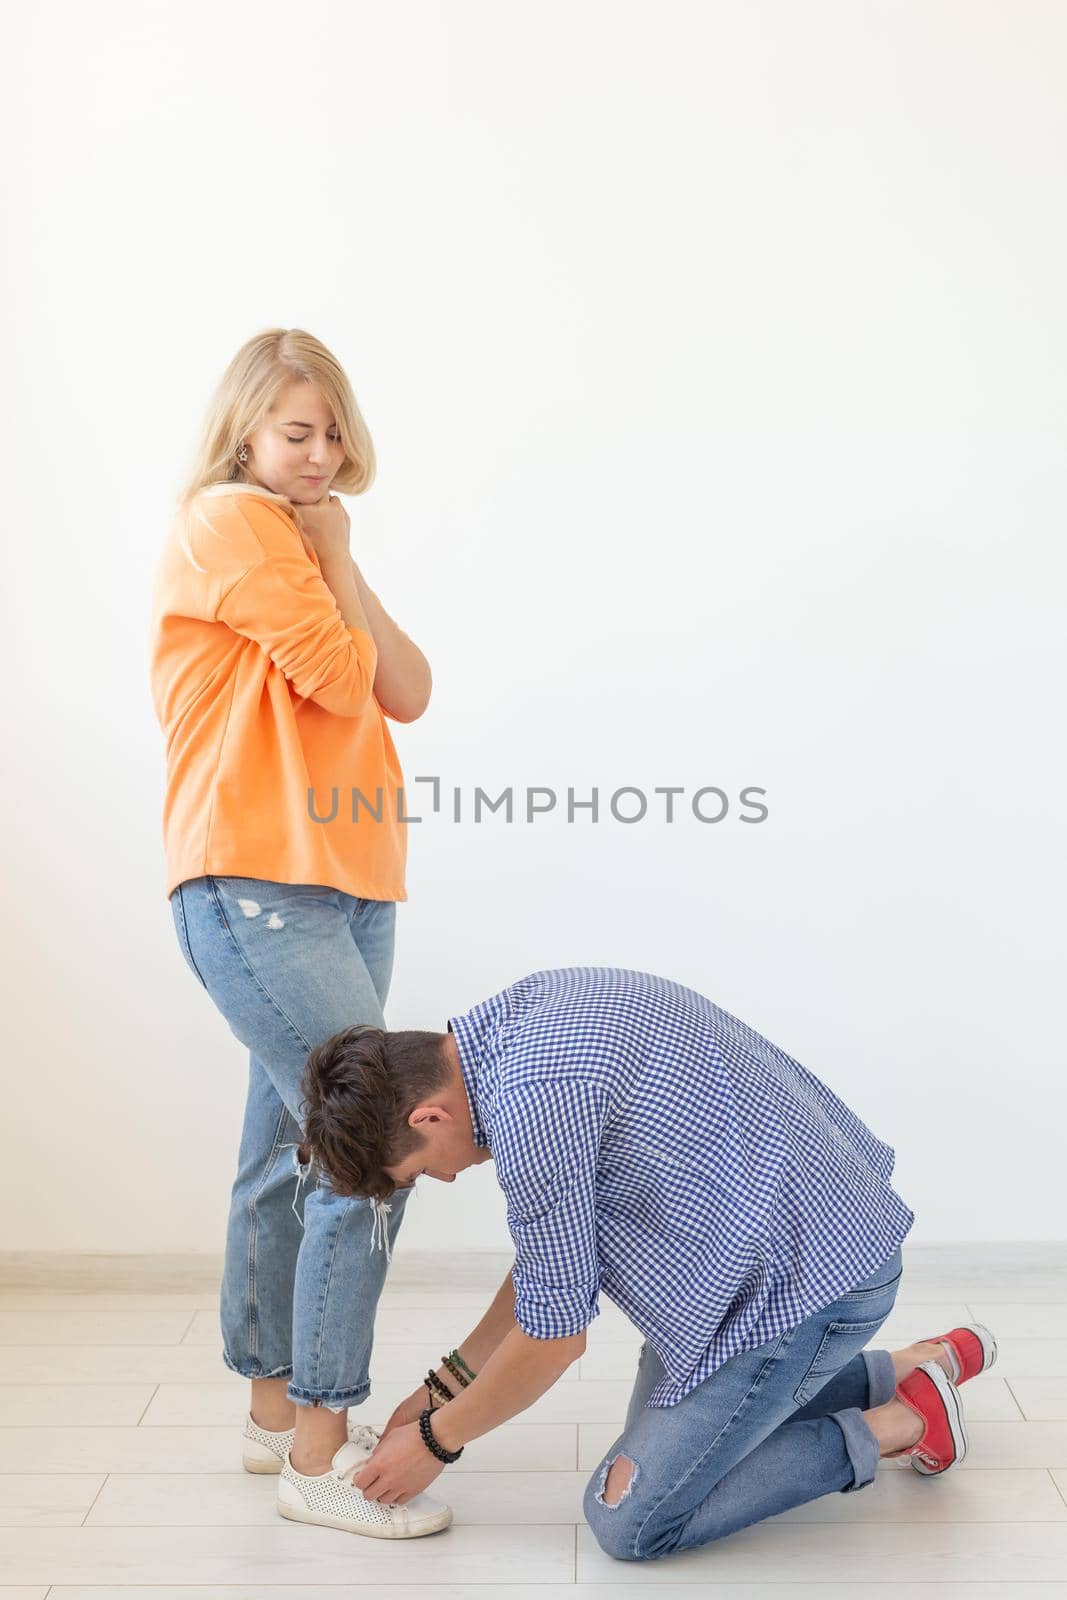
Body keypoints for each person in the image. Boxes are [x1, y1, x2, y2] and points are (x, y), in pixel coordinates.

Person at [296, 964, 998, 1557]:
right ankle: (909, 1367)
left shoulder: (532, 1109)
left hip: (804, 1291)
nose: (442, 1179)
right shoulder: (521, 1017)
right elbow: (554, 1266)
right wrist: (447, 1382)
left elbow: (554, 1339)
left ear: (427, 1119)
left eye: (418, 1170)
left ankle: (901, 1422)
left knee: (632, 1519)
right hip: (799, 1253)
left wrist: (435, 1440)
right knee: (675, 1447)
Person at [148, 327, 452, 1541]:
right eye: (294, 431)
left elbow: (409, 687)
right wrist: (330, 560)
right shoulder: (226, 518)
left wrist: (343, 555)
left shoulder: (312, 538)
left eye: (331, 430)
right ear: (242, 433)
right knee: (368, 1145)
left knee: (288, 1147)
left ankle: (275, 1411)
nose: (319, 452)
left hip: (344, 881)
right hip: (255, 880)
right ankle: (322, 1449)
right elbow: (338, 676)